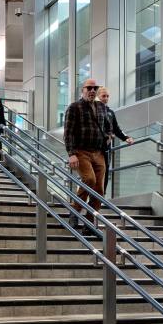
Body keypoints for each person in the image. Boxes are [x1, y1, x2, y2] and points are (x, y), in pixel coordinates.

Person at [63, 78, 111, 233]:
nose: (92, 90)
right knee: (89, 179)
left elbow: (108, 126)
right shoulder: (74, 107)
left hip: (99, 152)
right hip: (81, 152)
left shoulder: (101, 107)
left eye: (94, 88)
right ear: (82, 90)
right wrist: (71, 154)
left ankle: (89, 222)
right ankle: (75, 211)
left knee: (99, 190)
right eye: (89, 88)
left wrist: (109, 135)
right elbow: (68, 132)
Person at [97, 87, 134, 192]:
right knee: (92, 175)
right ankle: (87, 199)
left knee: (105, 172)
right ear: (97, 96)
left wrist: (126, 138)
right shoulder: (92, 111)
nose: (106, 98)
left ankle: (100, 198)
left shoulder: (110, 113)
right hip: (93, 149)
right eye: (103, 96)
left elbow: (117, 129)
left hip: (106, 148)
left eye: (107, 96)